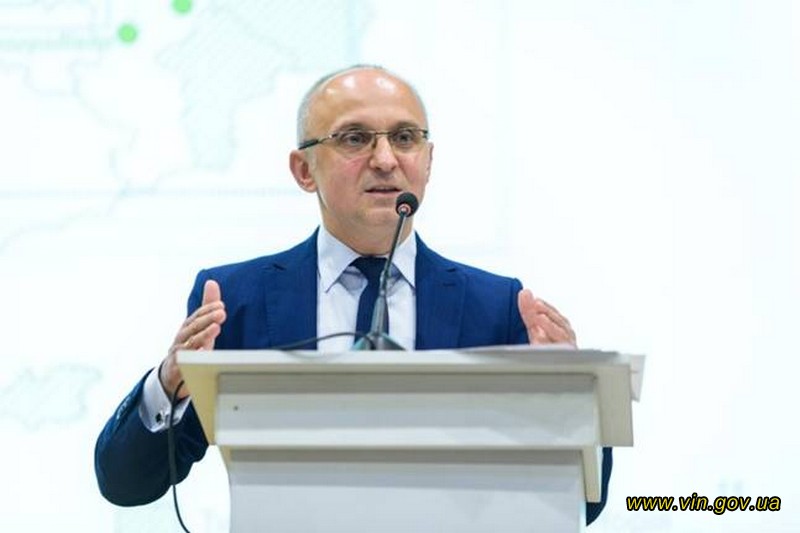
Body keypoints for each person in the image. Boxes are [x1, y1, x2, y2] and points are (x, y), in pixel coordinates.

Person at [94, 65, 612, 524]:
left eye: (405, 138)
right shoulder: (236, 299)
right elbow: (128, 485)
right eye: (355, 138)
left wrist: (571, 401)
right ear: (304, 170)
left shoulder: (495, 306)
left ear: (428, 161)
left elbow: (582, 506)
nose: (385, 159)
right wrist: (169, 384)